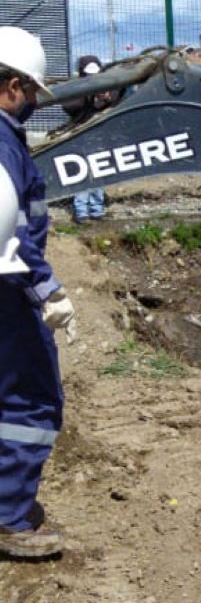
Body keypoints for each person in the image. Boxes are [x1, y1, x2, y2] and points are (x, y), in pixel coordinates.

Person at [0, 27, 77, 560]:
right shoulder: (2, 143)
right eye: (30, 92)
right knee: (32, 400)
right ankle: (8, 516)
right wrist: (46, 289)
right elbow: (8, 231)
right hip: (8, 289)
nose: (32, 103)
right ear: (11, 87)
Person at [64, 55, 121, 222]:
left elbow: (117, 99)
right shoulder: (75, 87)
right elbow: (68, 106)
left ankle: (96, 209)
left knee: (98, 170)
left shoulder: (107, 85)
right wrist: (87, 95)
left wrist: (106, 98)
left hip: (99, 134)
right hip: (80, 133)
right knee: (81, 171)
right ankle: (81, 210)